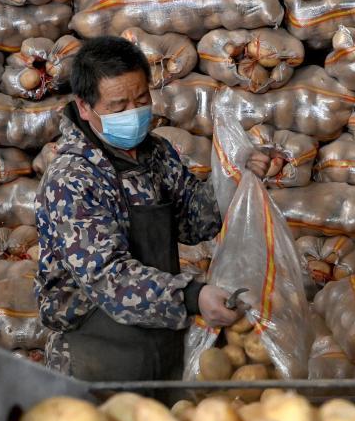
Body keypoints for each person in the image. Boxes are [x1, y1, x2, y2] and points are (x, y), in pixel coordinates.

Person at [35, 36, 268, 381]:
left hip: (161, 345)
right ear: (85, 107)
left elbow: (196, 223)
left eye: (141, 99)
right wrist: (192, 295)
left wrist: (235, 174)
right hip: (98, 357)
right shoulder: (72, 178)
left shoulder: (156, 153)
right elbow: (108, 278)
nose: (133, 112)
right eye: (117, 106)